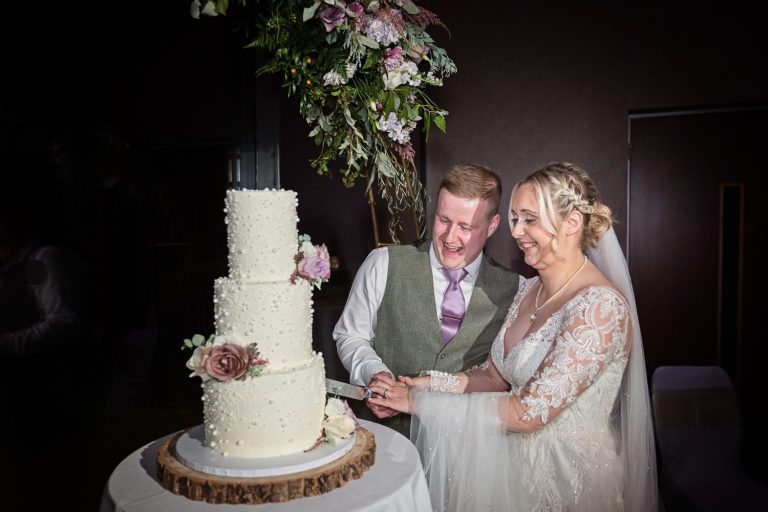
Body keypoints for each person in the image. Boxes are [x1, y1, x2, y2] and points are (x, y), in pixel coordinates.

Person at [368, 162, 659, 511]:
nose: (517, 231)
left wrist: (419, 404)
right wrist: (420, 384)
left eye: (530, 219)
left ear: (571, 223)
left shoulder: (600, 309)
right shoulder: (530, 290)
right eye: (515, 218)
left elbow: (528, 411)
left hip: (570, 483)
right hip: (512, 475)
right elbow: (493, 376)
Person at [334, 164, 520, 437]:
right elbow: (350, 335)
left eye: (465, 227)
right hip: (388, 438)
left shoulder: (515, 289)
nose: (450, 237)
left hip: (466, 444)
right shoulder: (383, 264)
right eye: (443, 220)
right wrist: (375, 373)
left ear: (492, 226)